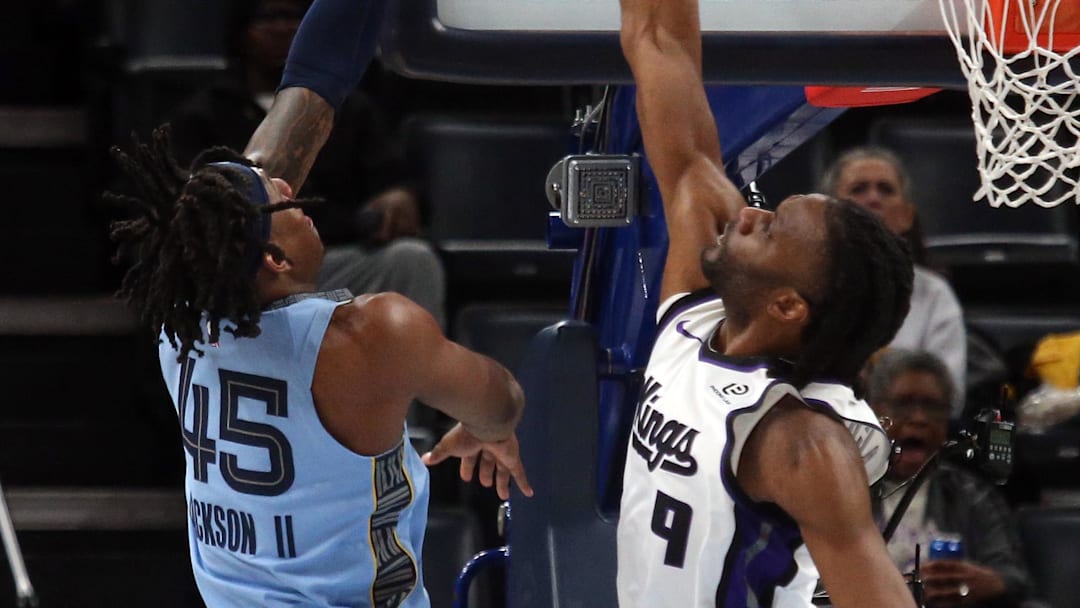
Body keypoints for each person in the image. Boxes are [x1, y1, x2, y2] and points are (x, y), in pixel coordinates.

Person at [105, 1, 532, 605]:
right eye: (277, 201)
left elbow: (307, 93)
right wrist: (488, 426)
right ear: (274, 260)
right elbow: (502, 400)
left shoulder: (182, 318)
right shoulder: (372, 333)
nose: (286, 184)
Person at [614, 1, 918, 607]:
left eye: (772, 227)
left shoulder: (800, 441)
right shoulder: (698, 311)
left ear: (787, 306)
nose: (748, 211)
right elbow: (659, 45)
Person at [167, 0, 446, 329]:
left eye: (294, 17)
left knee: (411, 260)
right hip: (251, 270)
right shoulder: (204, 113)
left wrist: (400, 195)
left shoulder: (353, 107)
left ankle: (415, 373)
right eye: (269, 18)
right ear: (240, 33)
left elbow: (396, 178)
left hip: (337, 253)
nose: (284, 28)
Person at [866, 349, 1036, 608]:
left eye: (933, 407)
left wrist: (989, 583)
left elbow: (1012, 577)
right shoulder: (839, 491)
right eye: (903, 404)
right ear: (873, 411)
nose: (919, 419)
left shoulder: (971, 494)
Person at [821, 147, 968, 416]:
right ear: (827, 211)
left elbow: (950, 397)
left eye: (886, 189)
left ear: (907, 216)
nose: (873, 198)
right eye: (858, 189)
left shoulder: (933, 294)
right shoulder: (806, 284)